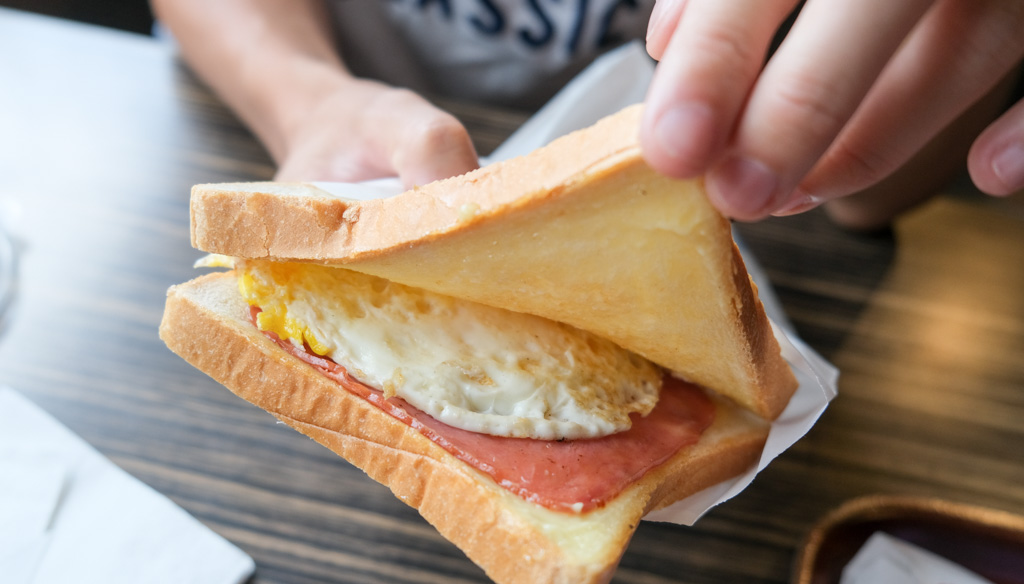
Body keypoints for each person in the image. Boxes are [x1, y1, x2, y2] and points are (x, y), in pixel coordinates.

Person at [152, 0, 1024, 228]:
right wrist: (304, 97)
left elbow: (864, 193)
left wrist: (970, 33)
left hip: (731, 214)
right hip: (262, 99)